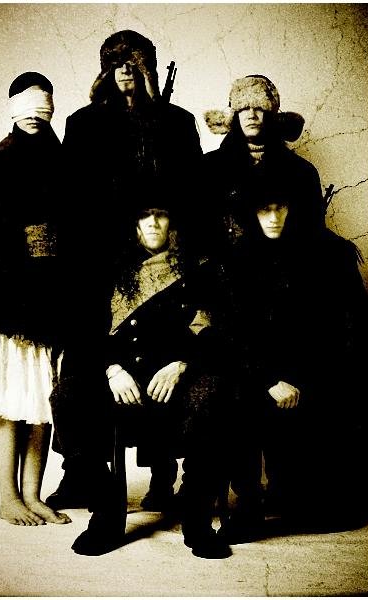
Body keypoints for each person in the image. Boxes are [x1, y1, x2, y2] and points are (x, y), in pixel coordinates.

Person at [46, 29, 203, 511]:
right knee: (80, 371)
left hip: (163, 256)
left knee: (161, 357)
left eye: (134, 65)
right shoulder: (83, 123)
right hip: (100, 262)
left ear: (147, 68)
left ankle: (163, 474)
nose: (126, 73)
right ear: (106, 71)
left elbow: (194, 195)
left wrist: (180, 253)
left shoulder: (176, 122)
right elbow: (69, 200)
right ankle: (82, 473)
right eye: (117, 65)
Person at [49, 199, 231, 559]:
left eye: (160, 215)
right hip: (123, 380)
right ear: (134, 226)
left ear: (172, 223)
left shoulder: (200, 270)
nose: (153, 223)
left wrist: (183, 364)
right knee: (67, 396)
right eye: (145, 217)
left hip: (177, 380)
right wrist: (112, 369)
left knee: (212, 394)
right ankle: (106, 512)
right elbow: (86, 333)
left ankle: (196, 519)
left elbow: (216, 330)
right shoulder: (111, 270)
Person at [217, 176, 368, 543]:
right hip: (263, 377)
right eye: (263, 209)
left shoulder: (331, 254)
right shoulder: (240, 259)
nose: (272, 218)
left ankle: (308, 497)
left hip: (320, 376)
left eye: (280, 208)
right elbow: (233, 334)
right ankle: (249, 505)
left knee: (323, 504)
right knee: (231, 394)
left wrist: (303, 382)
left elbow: (348, 336)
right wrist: (268, 379)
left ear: (295, 209)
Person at [0, 72, 70, 526]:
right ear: (13, 107)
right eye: (27, 107)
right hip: (14, 301)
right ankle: (8, 498)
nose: (36, 116)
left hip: (56, 296)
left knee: (42, 402)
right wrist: (17, 294)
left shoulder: (64, 160)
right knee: (13, 400)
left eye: (44, 107)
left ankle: (33, 494)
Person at [202, 74, 325, 258]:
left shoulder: (301, 172)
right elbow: (198, 232)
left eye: (259, 107)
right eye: (244, 108)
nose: (251, 115)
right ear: (234, 115)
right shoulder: (209, 168)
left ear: (271, 114)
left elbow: (312, 235)